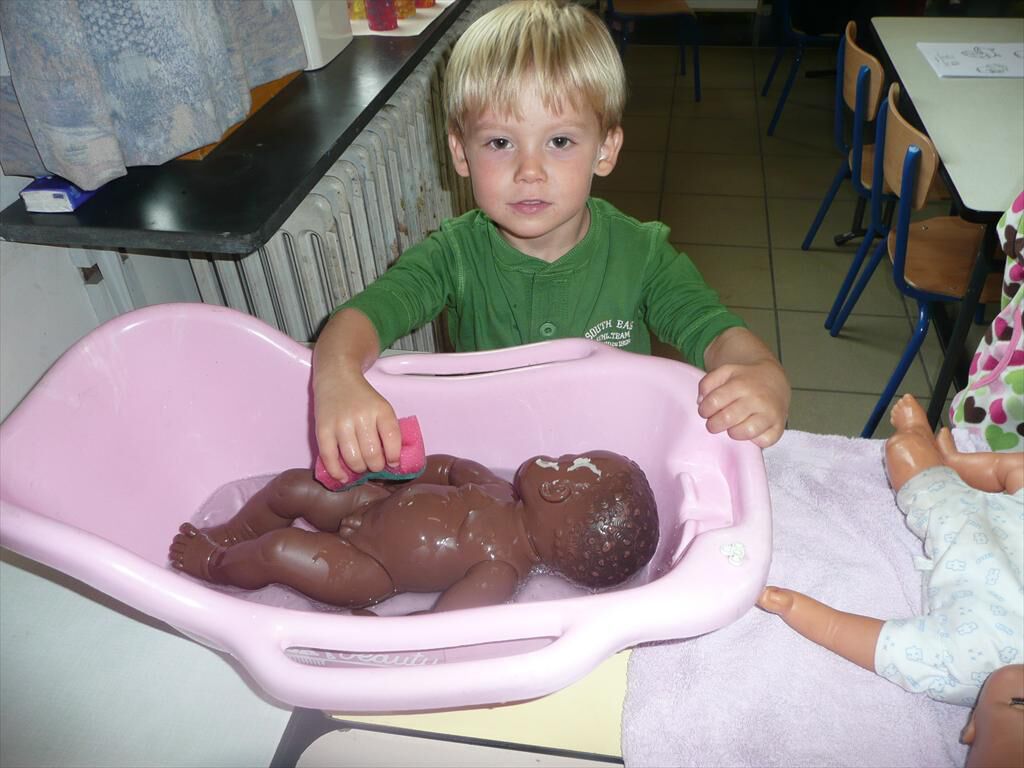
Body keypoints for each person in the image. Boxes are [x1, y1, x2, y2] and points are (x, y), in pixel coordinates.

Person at [312, 0, 790, 485]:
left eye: (559, 142)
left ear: (605, 149)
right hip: (496, 467)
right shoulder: (452, 256)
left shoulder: (642, 255)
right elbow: (360, 319)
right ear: (461, 153)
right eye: (500, 143)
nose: (530, 171)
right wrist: (338, 378)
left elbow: (716, 333)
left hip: (613, 467)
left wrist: (761, 370)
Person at [758, 394, 1023, 757]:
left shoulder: (958, 666)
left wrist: (793, 607)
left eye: (1019, 703)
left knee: (904, 451)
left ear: (973, 726)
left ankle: (930, 448)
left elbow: (844, 632)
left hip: (957, 514)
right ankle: (959, 462)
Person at [169, 450, 659, 612]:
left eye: (571, 462)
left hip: (369, 570)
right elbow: (448, 469)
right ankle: (232, 532)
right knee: (292, 486)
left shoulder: (500, 573)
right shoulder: (498, 489)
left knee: (279, 550)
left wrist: (376, 633)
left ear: (555, 492)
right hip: (372, 503)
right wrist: (394, 472)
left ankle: (214, 563)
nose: (561, 456)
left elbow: (439, 625)